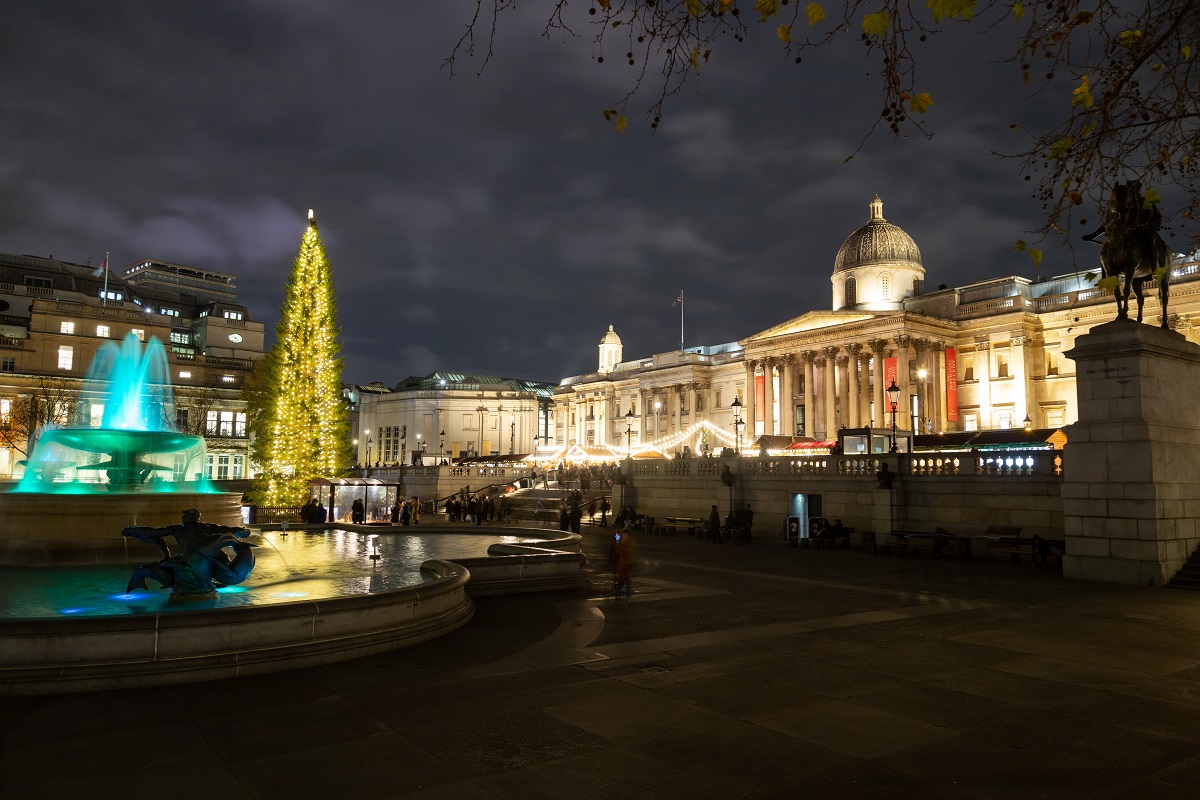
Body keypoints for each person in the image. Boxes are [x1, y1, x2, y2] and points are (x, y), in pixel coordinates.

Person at [613, 524, 637, 599]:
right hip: (623, 564)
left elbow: (628, 552)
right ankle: (623, 592)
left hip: (627, 564)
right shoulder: (623, 541)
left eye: (625, 536)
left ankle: (627, 592)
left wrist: (620, 547)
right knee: (624, 579)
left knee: (626, 579)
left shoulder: (629, 543)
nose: (623, 537)